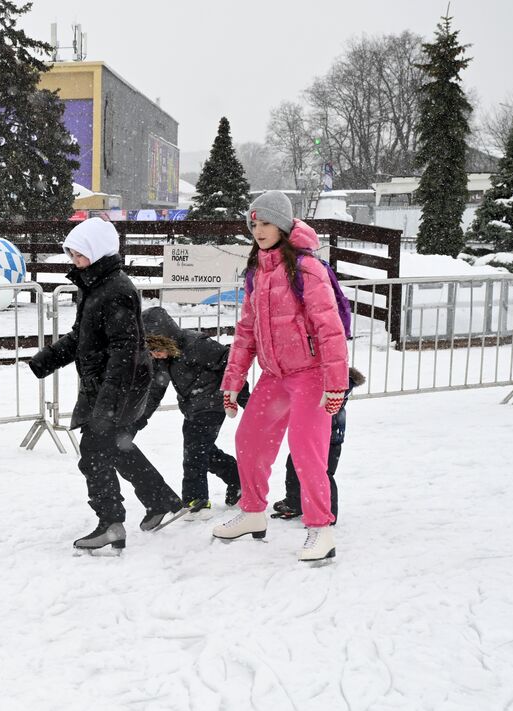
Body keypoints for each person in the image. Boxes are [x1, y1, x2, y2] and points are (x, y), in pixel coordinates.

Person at [28, 217, 183, 552]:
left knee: (94, 452)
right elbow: (81, 337)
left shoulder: (116, 291)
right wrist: (48, 359)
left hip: (117, 386)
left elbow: (124, 353)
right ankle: (161, 500)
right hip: (104, 384)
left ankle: (111, 522)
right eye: (71, 255)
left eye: (79, 255)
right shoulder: (95, 287)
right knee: (116, 447)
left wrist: (108, 405)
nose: (74, 261)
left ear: (97, 252)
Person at [214, 191, 349, 562]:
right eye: (254, 224)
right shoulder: (258, 271)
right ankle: (254, 512)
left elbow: (330, 329)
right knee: (249, 439)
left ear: (285, 225)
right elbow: (247, 331)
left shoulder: (307, 269)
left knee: (307, 452)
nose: (259, 230)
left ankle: (321, 529)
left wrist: (335, 384)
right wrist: (233, 381)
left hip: (310, 375)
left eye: (267, 223)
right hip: (274, 375)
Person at [141, 306, 245, 518]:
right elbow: (155, 391)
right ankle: (237, 477)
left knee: (194, 452)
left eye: (156, 348)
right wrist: (141, 417)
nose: (154, 354)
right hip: (192, 408)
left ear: (166, 339)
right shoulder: (162, 360)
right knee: (204, 451)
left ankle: (196, 499)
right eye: (150, 351)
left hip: (213, 405)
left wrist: (245, 399)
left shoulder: (197, 345)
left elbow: (230, 363)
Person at [273, 366, 365, 522]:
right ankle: (294, 502)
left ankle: (329, 512)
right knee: (294, 466)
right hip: (307, 437)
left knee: (323, 473)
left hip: (328, 441)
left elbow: (338, 388)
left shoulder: (337, 382)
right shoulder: (317, 377)